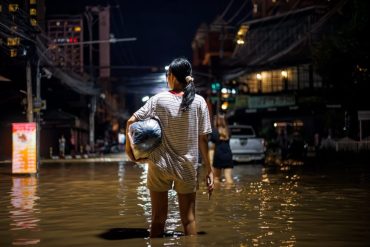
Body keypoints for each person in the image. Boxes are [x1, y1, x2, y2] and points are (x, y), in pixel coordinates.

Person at [125, 57, 214, 238]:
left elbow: (130, 122)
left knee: (158, 220)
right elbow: (203, 139)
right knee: (189, 220)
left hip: (159, 166)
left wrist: (131, 152)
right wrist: (209, 170)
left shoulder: (159, 100)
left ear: (172, 76)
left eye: (168, 74)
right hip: (187, 168)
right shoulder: (199, 102)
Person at [211, 114, 234, 184]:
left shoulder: (214, 131)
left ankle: (218, 194)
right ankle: (230, 192)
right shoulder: (228, 130)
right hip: (228, 155)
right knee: (228, 178)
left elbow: (212, 144)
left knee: (216, 178)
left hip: (218, 155)